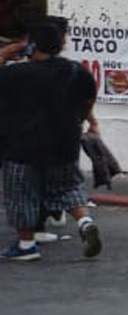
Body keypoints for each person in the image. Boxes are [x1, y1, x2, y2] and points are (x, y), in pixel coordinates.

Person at [0, 19, 103, 262]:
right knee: (68, 187)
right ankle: (85, 222)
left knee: (20, 195)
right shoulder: (76, 71)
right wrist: (83, 120)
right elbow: (88, 98)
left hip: (23, 146)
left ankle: (26, 245)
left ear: (32, 45)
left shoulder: (15, 74)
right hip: (64, 142)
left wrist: (5, 53)